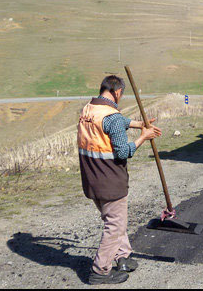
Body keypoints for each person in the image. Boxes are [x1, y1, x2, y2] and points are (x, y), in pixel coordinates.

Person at [78, 75, 161, 285]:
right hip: (110, 180)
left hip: (91, 178)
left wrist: (139, 124)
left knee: (116, 220)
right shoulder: (111, 116)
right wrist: (144, 136)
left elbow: (114, 123)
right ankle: (100, 271)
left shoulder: (89, 109)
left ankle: (123, 257)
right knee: (114, 225)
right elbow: (123, 152)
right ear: (117, 92)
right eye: (121, 95)